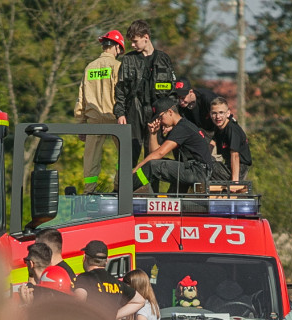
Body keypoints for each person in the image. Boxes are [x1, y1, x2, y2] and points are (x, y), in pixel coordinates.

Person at [114, 19, 175, 167]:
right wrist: (120, 113)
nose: (132, 45)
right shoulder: (128, 59)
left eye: (135, 41)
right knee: (129, 154)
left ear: (146, 37)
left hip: (157, 114)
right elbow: (120, 90)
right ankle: (127, 189)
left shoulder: (163, 59)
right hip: (133, 111)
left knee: (153, 156)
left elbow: (172, 93)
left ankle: (151, 190)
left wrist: (170, 118)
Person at [76, 30, 124, 194]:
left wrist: (81, 125)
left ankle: (89, 190)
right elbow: (122, 95)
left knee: (91, 158)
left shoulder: (90, 67)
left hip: (94, 121)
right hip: (115, 119)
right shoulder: (118, 67)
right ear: (117, 47)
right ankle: (119, 187)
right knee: (124, 154)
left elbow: (81, 98)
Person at [133, 97, 214, 194]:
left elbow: (159, 153)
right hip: (191, 169)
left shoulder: (182, 128)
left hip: (198, 171)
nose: (160, 121)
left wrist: (136, 169)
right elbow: (155, 154)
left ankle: (124, 190)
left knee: (152, 166)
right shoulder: (180, 127)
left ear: (170, 112)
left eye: (160, 117)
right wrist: (153, 134)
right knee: (154, 165)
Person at [208, 97, 252, 184]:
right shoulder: (219, 127)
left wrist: (235, 182)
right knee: (202, 163)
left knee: (206, 168)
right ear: (210, 114)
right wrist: (205, 155)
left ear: (228, 113)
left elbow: (235, 155)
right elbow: (213, 142)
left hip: (239, 168)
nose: (218, 117)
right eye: (214, 113)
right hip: (228, 165)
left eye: (221, 113)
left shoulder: (232, 129)